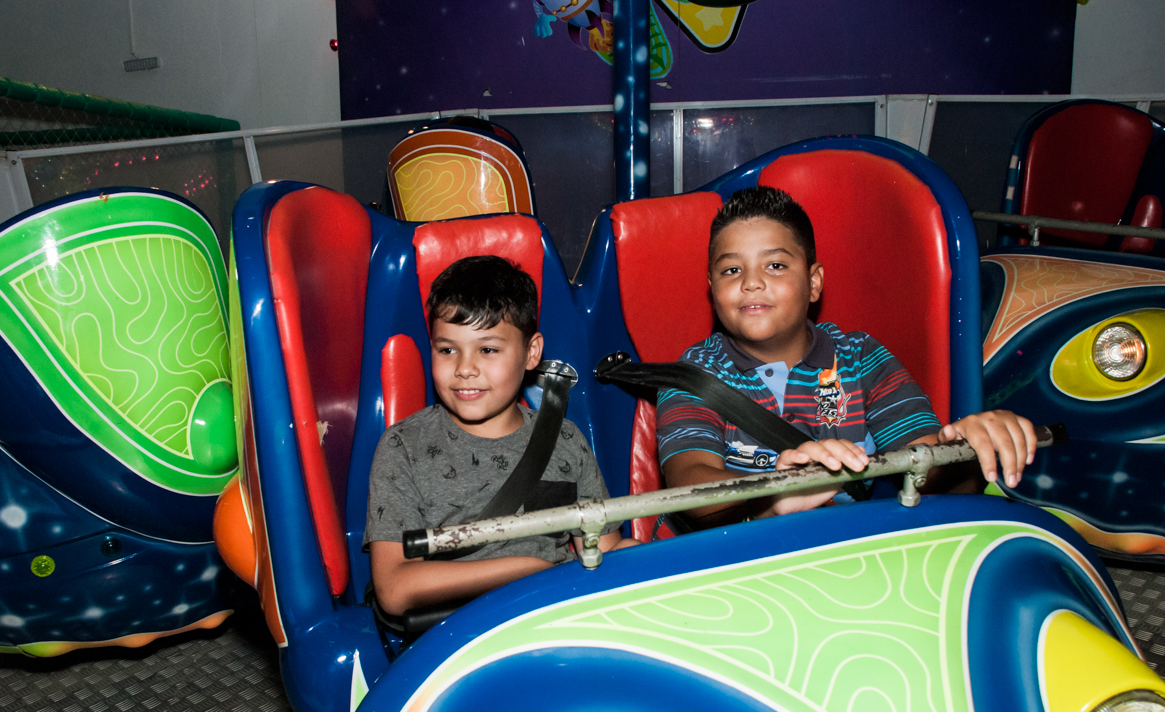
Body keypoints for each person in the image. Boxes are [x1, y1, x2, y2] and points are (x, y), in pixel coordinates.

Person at [656, 186, 1038, 529]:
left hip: (846, 553)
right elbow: (690, 482)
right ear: (712, 289)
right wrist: (773, 495)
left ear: (814, 282)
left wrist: (970, 449)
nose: (751, 282)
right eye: (731, 270)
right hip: (730, 555)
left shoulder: (859, 358)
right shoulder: (694, 373)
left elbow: (932, 470)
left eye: (775, 265)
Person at [365, 255, 632, 617]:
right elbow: (395, 588)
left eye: (488, 349)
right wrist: (528, 570)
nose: (464, 369)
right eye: (447, 350)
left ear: (531, 352)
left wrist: (636, 557)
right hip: (455, 634)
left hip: (556, 616)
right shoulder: (403, 447)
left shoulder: (565, 442)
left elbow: (603, 549)